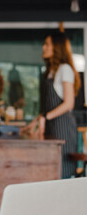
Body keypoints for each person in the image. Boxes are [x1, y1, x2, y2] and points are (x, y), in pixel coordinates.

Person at [21, 32, 81, 179]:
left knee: (62, 172)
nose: (43, 47)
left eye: (47, 44)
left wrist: (45, 117)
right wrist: (36, 120)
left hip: (63, 129)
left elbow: (68, 103)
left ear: (57, 47)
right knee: (51, 171)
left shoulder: (64, 69)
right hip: (52, 127)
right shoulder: (50, 72)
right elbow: (49, 107)